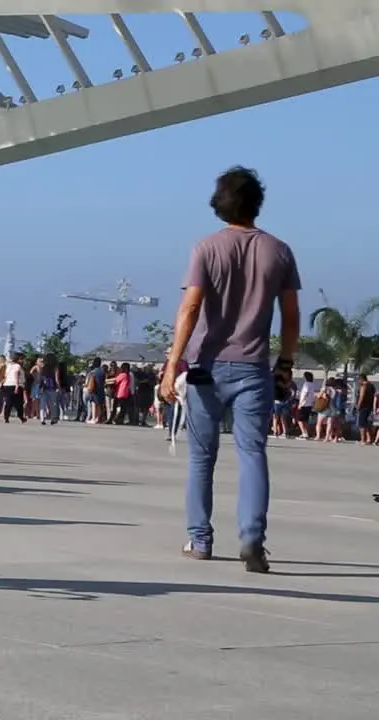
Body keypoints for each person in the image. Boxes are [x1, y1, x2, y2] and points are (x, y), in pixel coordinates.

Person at [160, 166, 299, 574]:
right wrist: (285, 364)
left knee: (202, 458)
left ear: (220, 203)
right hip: (254, 368)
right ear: (257, 203)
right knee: (253, 454)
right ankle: (253, 537)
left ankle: (200, 538)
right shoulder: (280, 250)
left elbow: (190, 308)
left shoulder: (206, 248)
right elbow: (291, 316)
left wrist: (172, 365)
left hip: (206, 367)